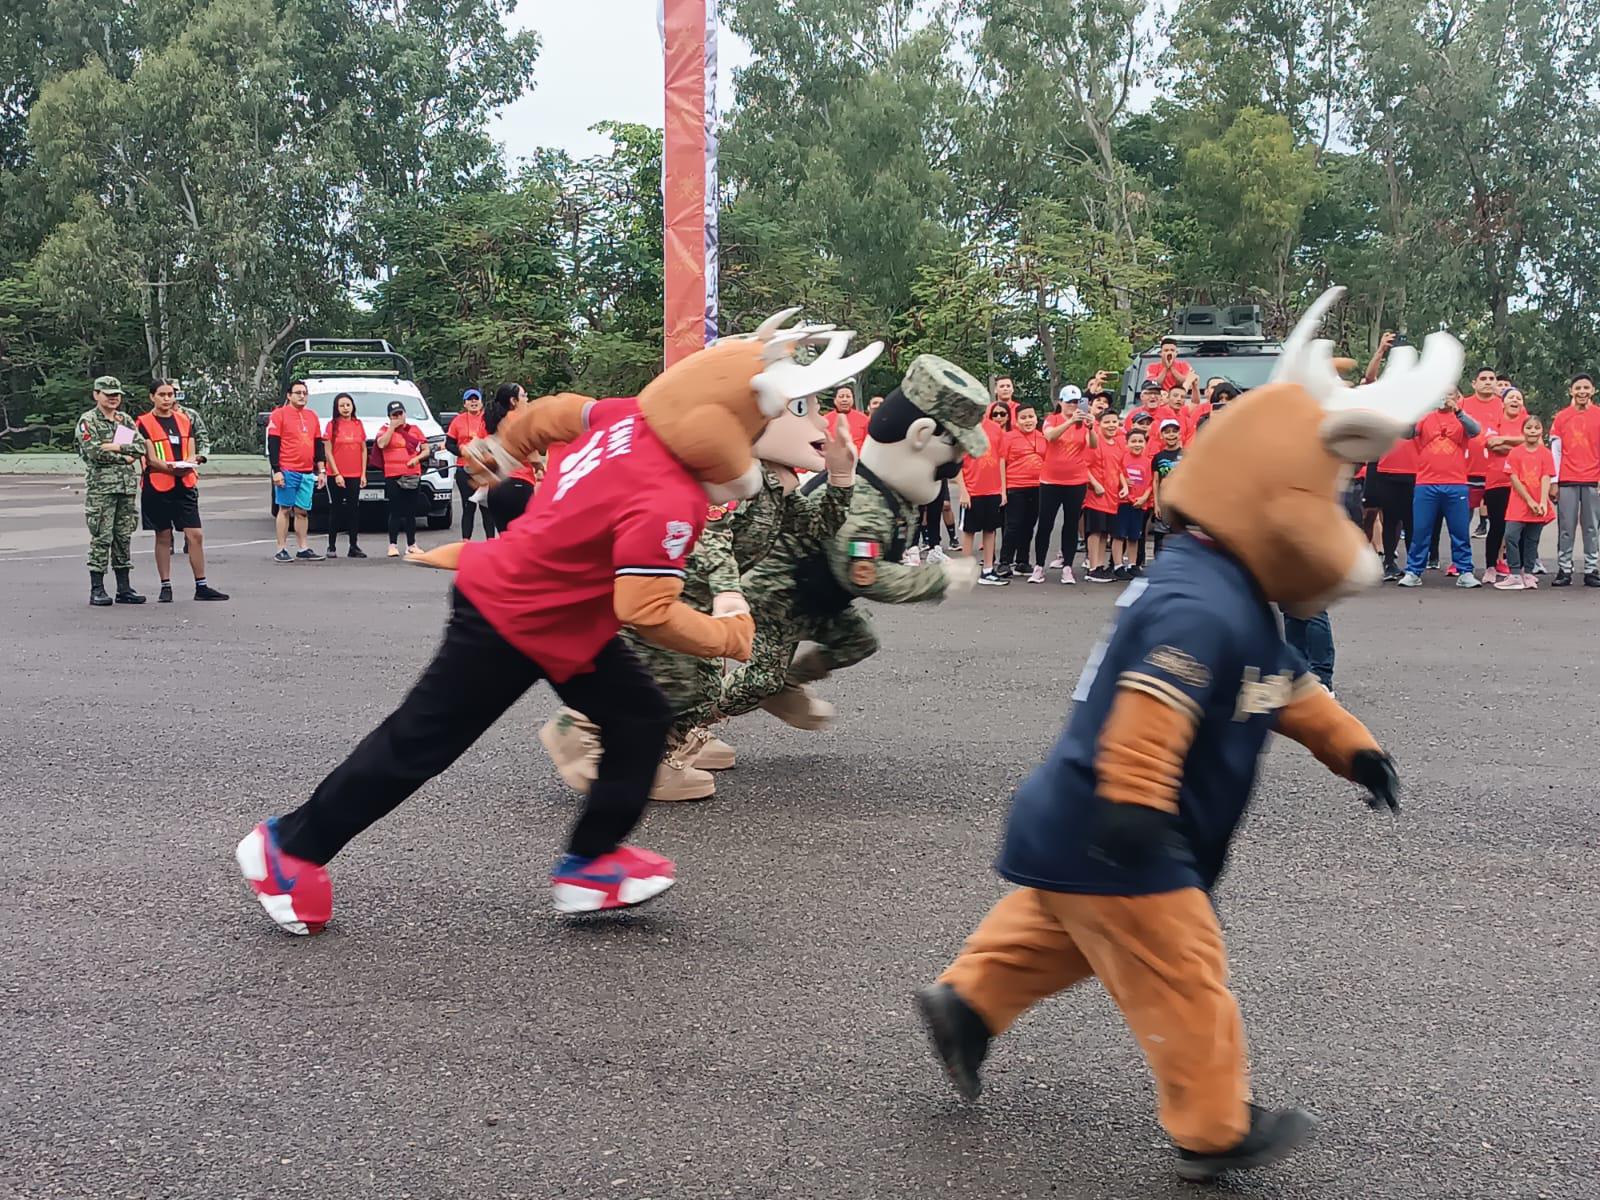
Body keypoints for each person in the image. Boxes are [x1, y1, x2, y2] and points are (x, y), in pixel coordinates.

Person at [915, 287, 1433, 1183]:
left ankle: (965, 1006)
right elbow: (1155, 705)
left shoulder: (1217, 585)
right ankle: (1212, 1126)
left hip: (1075, 820)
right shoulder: (1202, 601)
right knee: (1185, 975)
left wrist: (1353, 746)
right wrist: (1136, 807)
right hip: (1126, 826)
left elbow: (1285, 684)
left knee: (1053, 930)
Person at [231, 324, 835, 933]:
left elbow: (552, 413)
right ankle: (288, 849)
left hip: (565, 617)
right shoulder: (669, 496)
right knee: (419, 744)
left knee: (639, 717)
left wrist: (501, 448)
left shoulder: (628, 415)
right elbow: (646, 609)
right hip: (514, 613)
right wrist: (728, 636)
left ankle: (593, 867)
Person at [135, 379, 228, 602]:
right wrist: (169, 467)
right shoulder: (143, 422)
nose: (167, 399)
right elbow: (149, 458)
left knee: (195, 534)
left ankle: (201, 585)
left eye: (170, 394)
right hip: (158, 483)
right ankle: (165, 585)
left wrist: (191, 461)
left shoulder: (185, 420)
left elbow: (191, 450)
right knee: (163, 535)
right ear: (152, 397)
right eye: (162, 395)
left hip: (184, 483)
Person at [76, 375, 149, 606]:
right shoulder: (88, 421)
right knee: (102, 537)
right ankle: (97, 588)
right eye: (108, 394)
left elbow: (139, 447)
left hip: (126, 487)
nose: (113, 398)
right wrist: (123, 456)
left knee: (123, 537)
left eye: (116, 394)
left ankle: (124, 588)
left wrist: (116, 446)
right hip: (102, 489)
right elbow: (94, 452)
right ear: (96, 394)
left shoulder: (123, 420)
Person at [1399, 389, 1481, 588]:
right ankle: (1413, 571)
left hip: (1456, 483)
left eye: (1451, 395)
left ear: (1458, 397)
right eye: (1442, 394)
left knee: (1460, 530)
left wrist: (1458, 411)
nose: (1446, 398)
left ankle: (1465, 571)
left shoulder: (1461, 418)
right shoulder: (1426, 418)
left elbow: (1475, 430)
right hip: (1426, 483)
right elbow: (1406, 433)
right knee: (1421, 529)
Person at [1548, 372, 1600, 587]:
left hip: (1593, 478)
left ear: (1593, 391)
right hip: (1567, 478)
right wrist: (1554, 480)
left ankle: (1591, 568)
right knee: (1566, 526)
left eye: (1586, 388)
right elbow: (1556, 450)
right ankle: (1564, 568)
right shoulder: (1562, 417)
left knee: (1592, 527)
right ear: (1571, 391)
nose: (1582, 392)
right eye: (1578, 388)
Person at [1037, 389, 1094, 584]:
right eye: (1069, 401)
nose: (1073, 405)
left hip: (1075, 481)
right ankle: (1038, 566)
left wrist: (1092, 427)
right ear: (1061, 402)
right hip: (1050, 480)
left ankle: (1068, 567)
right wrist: (1069, 421)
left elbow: (1092, 445)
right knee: (1045, 523)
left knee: (1070, 524)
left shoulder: (1082, 424)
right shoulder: (1052, 419)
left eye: (1076, 401)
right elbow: (1050, 437)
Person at [268, 379, 325, 562]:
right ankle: (281, 548)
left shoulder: (312, 416)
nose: (302, 396)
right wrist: (276, 470)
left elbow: (318, 444)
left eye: (304, 393)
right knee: (285, 509)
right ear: (289, 395)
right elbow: (273, 443)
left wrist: (321, 469)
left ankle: (303, 547)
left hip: (307, 471)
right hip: (287, 469)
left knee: (302, 511)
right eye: (298, 393)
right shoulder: (279, 414)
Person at [1498, 414, 1555, 591]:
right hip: (1519, 503)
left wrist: (1542, 501)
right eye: (1529, 427)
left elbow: (1546, 477)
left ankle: (1528, 573)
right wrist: (1529, 500)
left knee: (1532, 539)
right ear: (1523, 430)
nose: (1532, 431)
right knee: (1511, 535)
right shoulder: (1516, 452)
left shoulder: (1545, 453)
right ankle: (1515, 573)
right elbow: (1514, 478)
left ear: (1541, 431)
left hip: (1538, 503)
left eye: (1536, 428)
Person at [960, 401, 1011, 585]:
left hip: (993, 489)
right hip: (973, 489)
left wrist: (1002, 489)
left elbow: (1001, 459)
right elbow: (957, 463)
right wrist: (963, 491)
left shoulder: (995, 429)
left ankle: (988, 569)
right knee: (969, 530)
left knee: (990, 530)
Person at [1477, 388, 1525, 584]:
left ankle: (1519, 569)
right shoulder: (1493, 421)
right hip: (1497, 480)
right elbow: (1491, 444)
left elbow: (1533, 441)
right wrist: (1520, 446)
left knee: (1520, 527)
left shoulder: (1526, 421)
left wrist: (1504, 440)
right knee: (1497, 525)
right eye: (1511, 397)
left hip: (1522, 482)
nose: (1515, 400)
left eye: (1519, 398)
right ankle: (1490, 567)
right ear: (1502, 402)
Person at [376, 400, 429, 558]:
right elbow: (381, 444)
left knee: (411, 511)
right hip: (393, 475)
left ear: (405, 413)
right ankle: (392, 545)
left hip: (412, 473)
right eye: (394, 415)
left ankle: (411, 544)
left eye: (400, 413)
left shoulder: (415, 430)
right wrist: (392, 428)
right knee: (395, 510)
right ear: (389, 416)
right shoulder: (384, 430)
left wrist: (417, 459)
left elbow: (426, 449)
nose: (398, 417)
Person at [480, 382, 533, 530]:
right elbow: (533, 455)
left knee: (505, 539)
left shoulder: (489, 422)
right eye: (523, 396)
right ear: (513, 401)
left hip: (496, 489)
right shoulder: (522, 421)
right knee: (524, 539)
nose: (527, 399)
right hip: (520, 485)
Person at [446, 389, 497, 542]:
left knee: (486, 506)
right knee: (468, 506)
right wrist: (462, 451)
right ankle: (466, 541)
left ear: (481, 402)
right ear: (465, 403)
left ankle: (491, 541)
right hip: (464, 468)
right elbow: (449, 444)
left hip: (484, 469)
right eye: (470, 400)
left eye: (476, 400)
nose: (473, 402)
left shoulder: (489, 419)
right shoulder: (458, 421)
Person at [1001, 406, 1046, 580]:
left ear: (1036, 418)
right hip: (1015, 486)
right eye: (1023, 417)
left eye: (1031, 416)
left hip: (1037, 486)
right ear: (1016, 421)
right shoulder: (1009, 437)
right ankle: (1005, 561)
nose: (1028, 421)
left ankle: (1023, 560)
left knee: (1029, 525)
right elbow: (1001, 463)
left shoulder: (1042, 437)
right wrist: (1002, 489)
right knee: (1013, 525)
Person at [322, 392, 367, 559]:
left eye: (348, 405)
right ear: (336, 408)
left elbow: (363, 449)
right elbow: (328, 451)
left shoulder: (358, 424)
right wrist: (336, 473)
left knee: (353, 510)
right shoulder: (332, 425)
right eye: (342, 405)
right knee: (336, 509)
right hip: (337, 474)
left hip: (355, 473)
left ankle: (353, 546)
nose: (345, 408)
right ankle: (331, 546)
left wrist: (363, 473)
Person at [1461, 367, 1504, 536]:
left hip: (1497, 472)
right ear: (1474, 383)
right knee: (1462, 520)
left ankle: (1498, 560)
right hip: (1466, 471)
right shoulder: (1462, 404)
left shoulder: (1505, 405)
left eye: (1491, 378)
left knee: (1499, 521)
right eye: (1483, 378)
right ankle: (1461, 561)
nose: (1488, 382)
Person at [1082, 409, 1123, 582]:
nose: (1112, 425)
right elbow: (1084, 465)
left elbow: (1119, 467)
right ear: (1099, 424)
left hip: (1112, 496)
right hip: (1096, 495)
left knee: (1105, 533)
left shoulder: (1119, 444)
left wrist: (1124, 486)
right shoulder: (1094, 442)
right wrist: (1095, 484)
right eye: (1107, 422)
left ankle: (1100, 565)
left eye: (1114, 422)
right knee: (1095, 531)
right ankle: (1092, 567)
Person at [1113, 426, 1152, 579]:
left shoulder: (1148, 462)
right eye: (1133, 441)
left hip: (1140, 503)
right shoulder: (1122, 459)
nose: (1137, 444)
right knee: (1119, 535)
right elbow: (1117, 477)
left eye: (1140, 441)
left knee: (1135, 535)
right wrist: (1129, 497)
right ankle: (1117, 565)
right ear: (1127, 443)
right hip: (1123, 502)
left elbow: (1150, 483)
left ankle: (1132, 564)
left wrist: (1143, 499)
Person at [1149, 418, 1183, 555]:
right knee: (1160, 536)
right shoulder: (1158, 457)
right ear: (1162, 435)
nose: (1171, 435)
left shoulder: (1186, 454)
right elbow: (1156, 481)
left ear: (1179, 434)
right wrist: (1156, 504)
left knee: (1179, 536)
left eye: (1174, 432)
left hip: (1180, 502)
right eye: (1167, 432)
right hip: (1163, 502)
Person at [825, 386, 870, 450]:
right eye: (841, 396)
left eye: (848, 396)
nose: (845, 399)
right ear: (835, 400)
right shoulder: (825, 421)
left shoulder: (864, 419)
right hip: (834, 458)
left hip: (858, 458)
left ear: (853, 400)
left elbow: (868, 443)